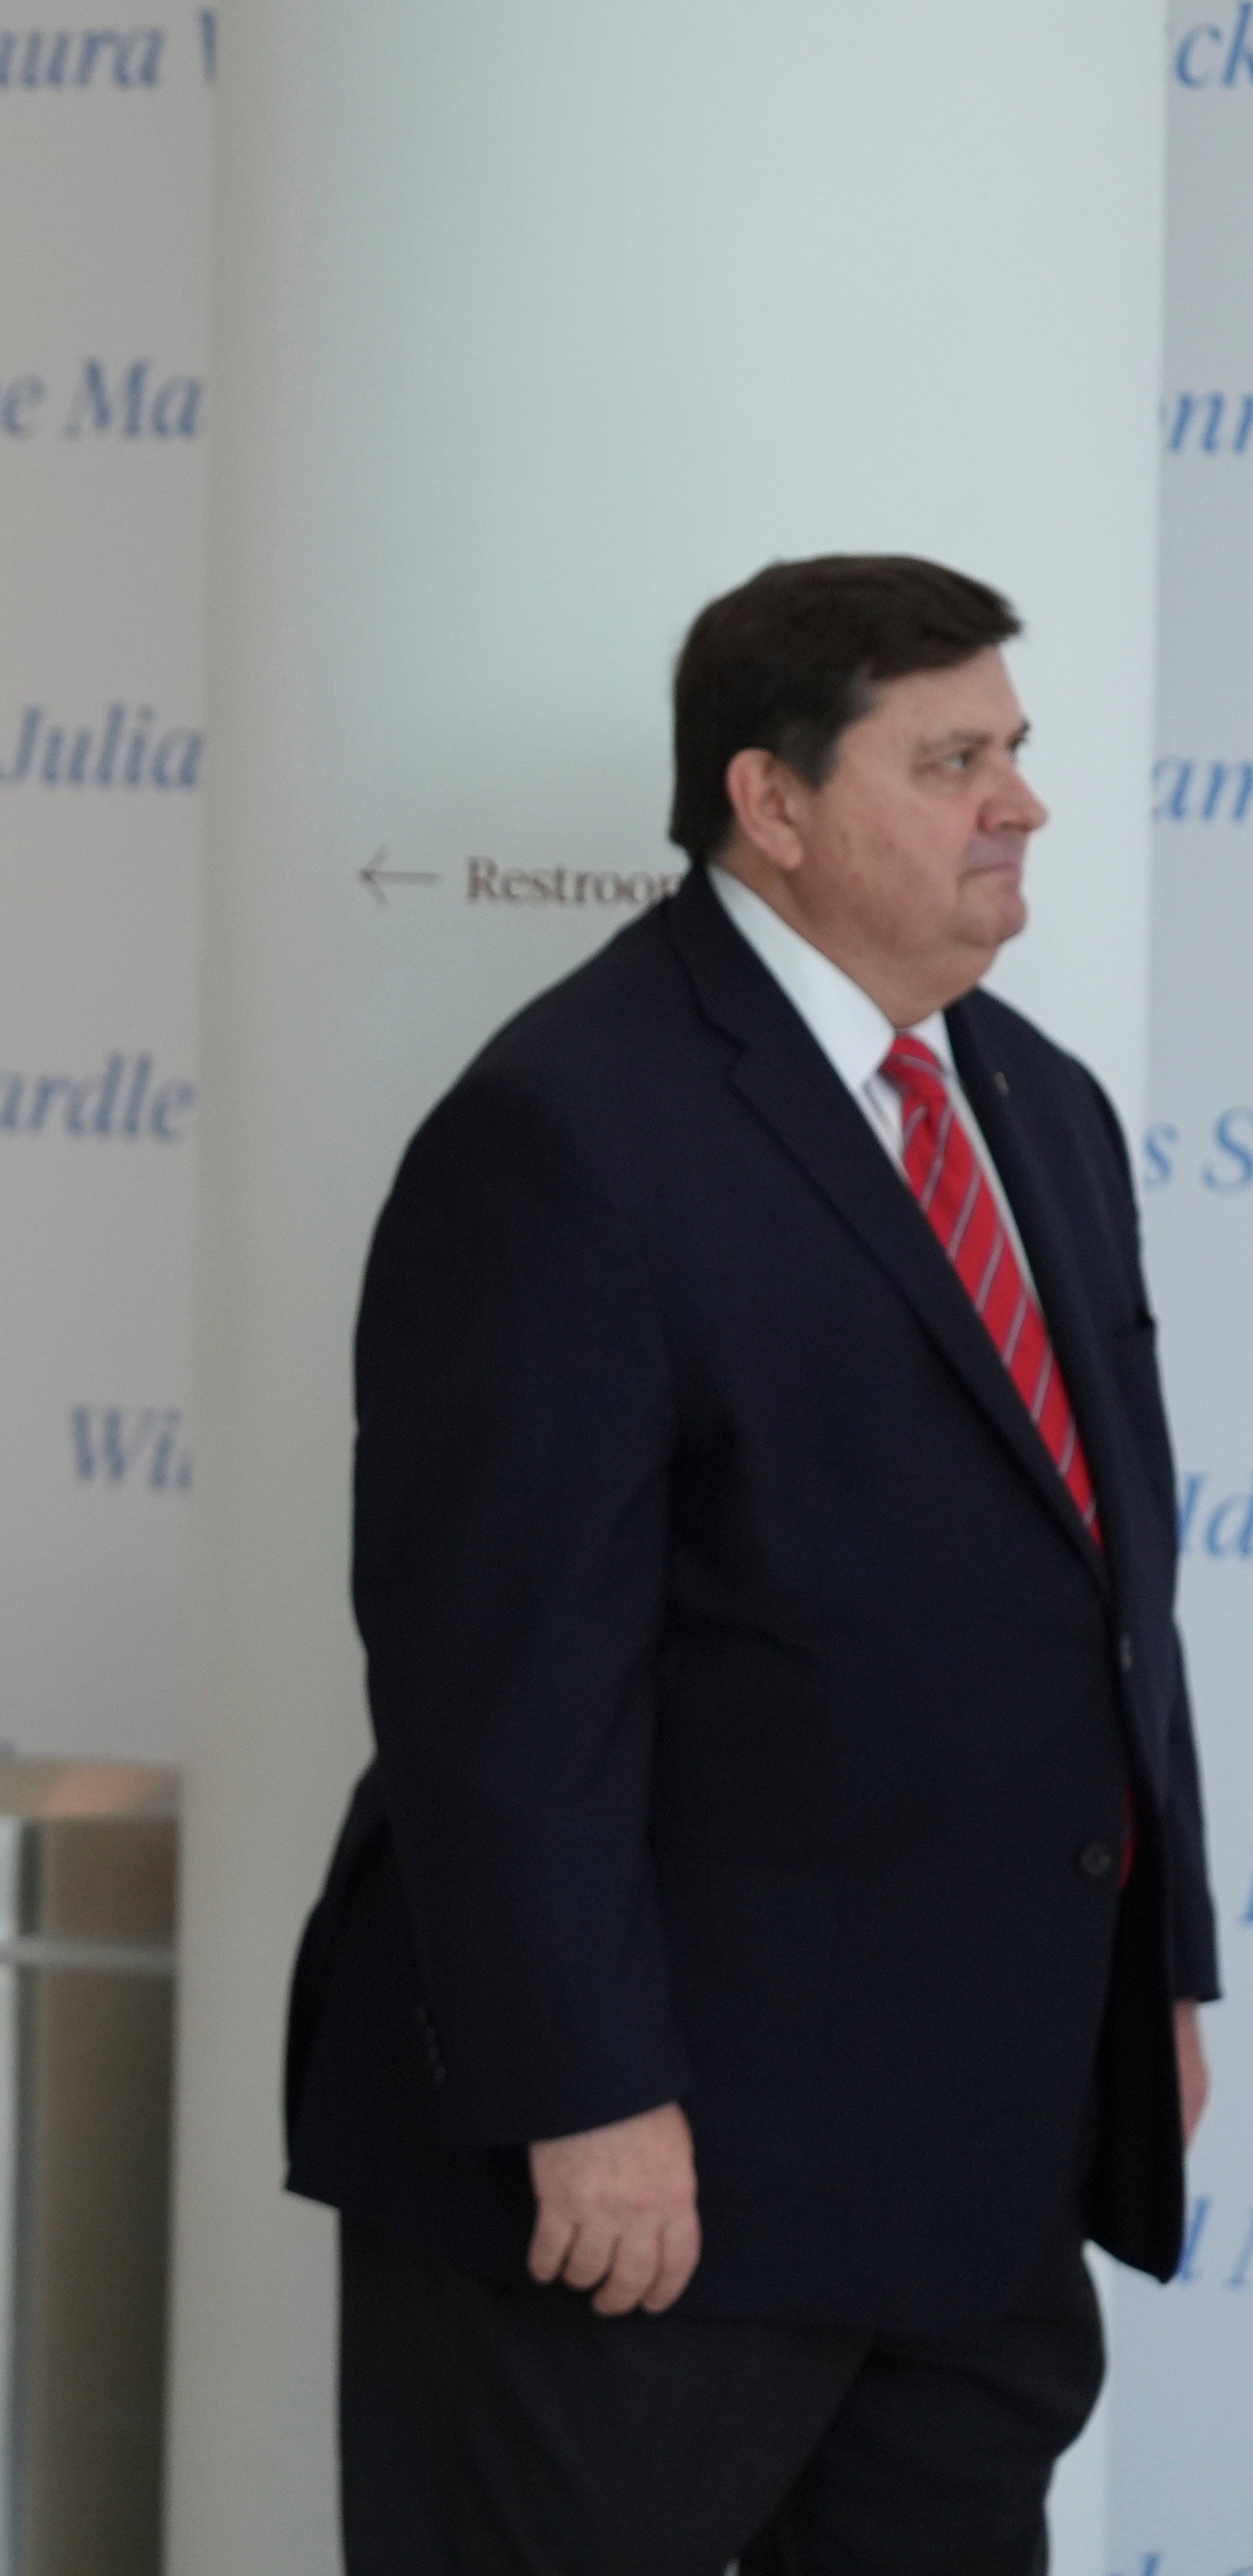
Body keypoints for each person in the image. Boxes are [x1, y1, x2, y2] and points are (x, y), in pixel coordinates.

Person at [284, 555, 1216, 2572]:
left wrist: (1154, 1973)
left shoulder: (1030, 1106)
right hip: (647, 2177)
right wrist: (583, 2096)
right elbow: (496, 1689)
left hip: (969, 2159)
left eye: (1016, 752)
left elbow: (1104, 1596)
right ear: (770, 807)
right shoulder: (566, 1132)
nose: (1018, 802)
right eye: (949, 757)